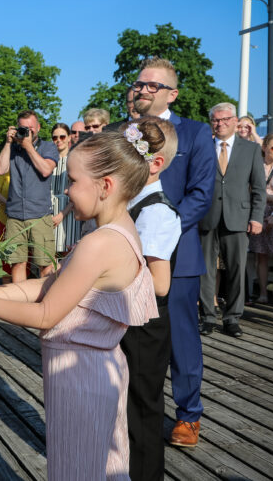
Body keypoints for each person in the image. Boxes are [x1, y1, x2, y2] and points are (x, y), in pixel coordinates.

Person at [0, 125, 164, 480]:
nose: (66, 190)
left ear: (105, 186)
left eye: (74, 182)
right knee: (101, 468)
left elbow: (47, 313)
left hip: (80, 377)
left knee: (79, 470)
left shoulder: (99, 244)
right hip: (97, 370)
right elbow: (51, 284)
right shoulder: (121, 229)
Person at [132, 57, 216, 447]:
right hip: (125, 250)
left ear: (172, 93)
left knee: (181, 338)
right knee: (129, 333)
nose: (142, 89)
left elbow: (201, 194)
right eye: (139, 83)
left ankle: (188, 416)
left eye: (152, 85)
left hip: (177, 253)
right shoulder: (121, 133)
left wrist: (160, 233)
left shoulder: (197, 133)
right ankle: (130, 408)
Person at [119, 117, 180, 481]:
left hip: (147, 324)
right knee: (125, 407)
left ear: (154, 163)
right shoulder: (132, 202)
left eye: (128, 155)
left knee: (142, 410)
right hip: (129, 315)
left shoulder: (156, 212)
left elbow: (159, 284)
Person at [198, 102, 265, 338]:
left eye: (226, 119)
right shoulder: (203, 146)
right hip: (206, 216)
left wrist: (257, 217)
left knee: (236, 269)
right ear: (211, 122)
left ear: (236, 121)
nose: (220, 123)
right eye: (216, 120)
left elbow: (258, 187)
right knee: (205, 270)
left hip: (239, 216)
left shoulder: (251, 149)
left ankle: (233, 318)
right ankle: (207, 317)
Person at [0, 110, 59, 283]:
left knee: (45, 264)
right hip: (15, 216)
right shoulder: (13, 148)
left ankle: (48, 302)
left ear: (38, 127)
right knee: (17, 263)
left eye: (31, 128)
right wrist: (8, 143)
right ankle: (22, 304)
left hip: (40, 215)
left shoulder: (48, 147)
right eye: (23, 128)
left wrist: (28, 146)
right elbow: (1, 170)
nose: (27, 132)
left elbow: (46, 170)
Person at [249, 134, 273, 305]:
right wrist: (271, 197)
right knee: (261, 255)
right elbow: (250, 190)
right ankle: (263, 293)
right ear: (264, 147)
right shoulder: (256, 164)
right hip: (257, 213)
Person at [50, 122, 80, 250]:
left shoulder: (75, 160)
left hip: (70, 212)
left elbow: (77, 191)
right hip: (50, 213)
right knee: (49, 255)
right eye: (55, 138)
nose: (58, 141)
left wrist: (62, 214)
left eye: (62, 137)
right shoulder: (48, 161)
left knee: (67, 252)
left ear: (68, 138)